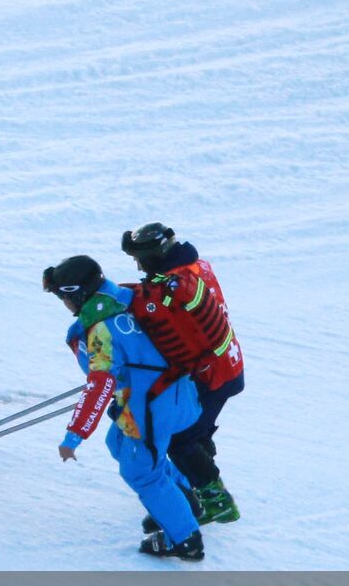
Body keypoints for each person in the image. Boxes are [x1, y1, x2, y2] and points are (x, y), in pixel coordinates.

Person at [44, 255, 205, 560]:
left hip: (152, 407)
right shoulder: (126, 297)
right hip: (180, 392)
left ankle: (186, 540)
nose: (64, 304)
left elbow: (98, 388)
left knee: (142, 471)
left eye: (64, 297)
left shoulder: (100, 329)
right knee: (117, 442)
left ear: (79, 293)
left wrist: (73, 436)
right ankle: (184, 498)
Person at [121, 223, 243, 525]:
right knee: (197, 432)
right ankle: (195, 490)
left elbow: (153, 307)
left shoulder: (172, 287)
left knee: (180, 439)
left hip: (212, 376)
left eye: (140, 258)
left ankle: (216, 501)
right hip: (228, 365)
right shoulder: (195, 266)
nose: (137, 265)